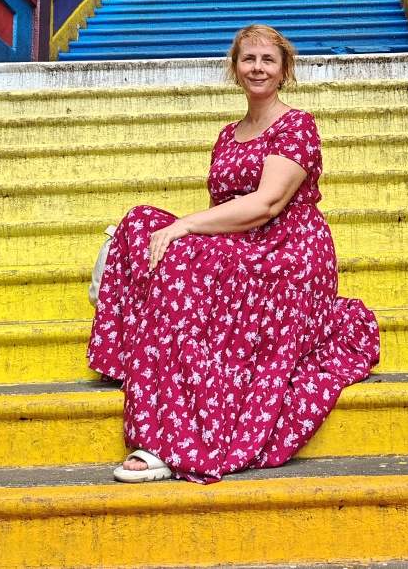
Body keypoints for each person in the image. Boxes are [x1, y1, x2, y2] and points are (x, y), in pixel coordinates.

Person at [87, 24, 379, 485]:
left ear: (284, 71)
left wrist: (183, 227)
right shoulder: (227, 135)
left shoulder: (296, 125)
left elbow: (267, 204)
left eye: (268, 60)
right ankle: (142, 354)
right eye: (249, 59)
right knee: (141, 221)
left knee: (179, 248)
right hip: (242, 243)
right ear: (235, 67)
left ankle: (169, 437)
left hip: (288, 251)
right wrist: (179, 232)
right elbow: (220, 212)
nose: (257, 68)